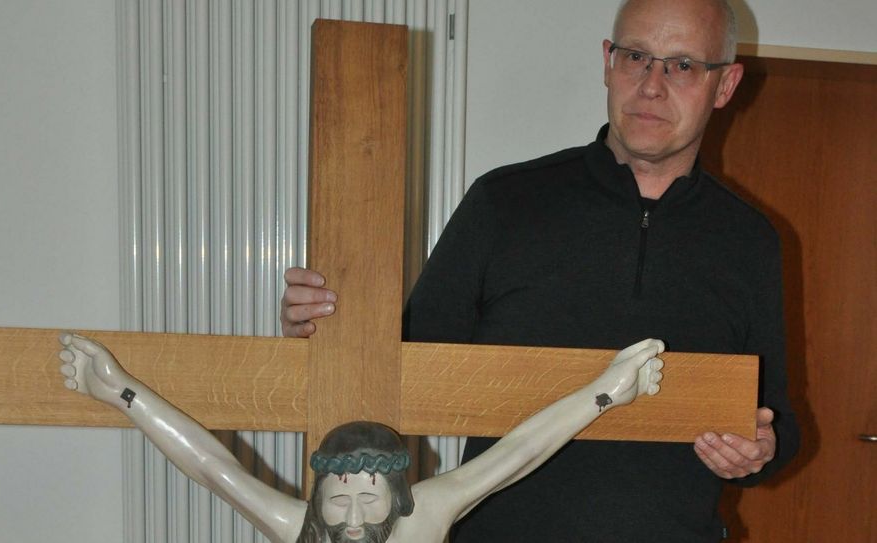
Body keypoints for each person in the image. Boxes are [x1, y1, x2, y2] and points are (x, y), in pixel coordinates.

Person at [280, 0, 800, 541]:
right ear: (607, 62)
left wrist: (762, 449)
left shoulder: (750, 241)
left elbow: (779, 421)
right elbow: (392, 372)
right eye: (636, 57)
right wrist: (323, 333)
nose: (651, 85)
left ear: (725, 84)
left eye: (683, 66)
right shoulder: (504, 203)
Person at [58, 333, 665, 543]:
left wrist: (606, 393)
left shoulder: (424, 517)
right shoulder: (305, 531)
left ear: (397, 494)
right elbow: (213, 468)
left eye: (368, 500)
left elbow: (518, 452)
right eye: (338, 501)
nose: (351, 522)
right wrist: (121, 392)